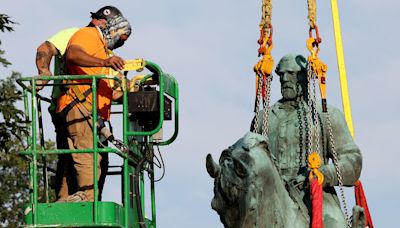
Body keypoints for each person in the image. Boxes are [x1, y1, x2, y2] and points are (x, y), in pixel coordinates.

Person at [251, 54, 362, 227]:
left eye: (292, 74)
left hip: (316, 195)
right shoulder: (263, 119)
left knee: (335, 224)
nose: (285, 79)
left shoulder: (326, 114)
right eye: (281, 74)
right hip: (271, 198)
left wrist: (324, 174)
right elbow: (249, 161)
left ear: (305, 77)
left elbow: (353, 161)